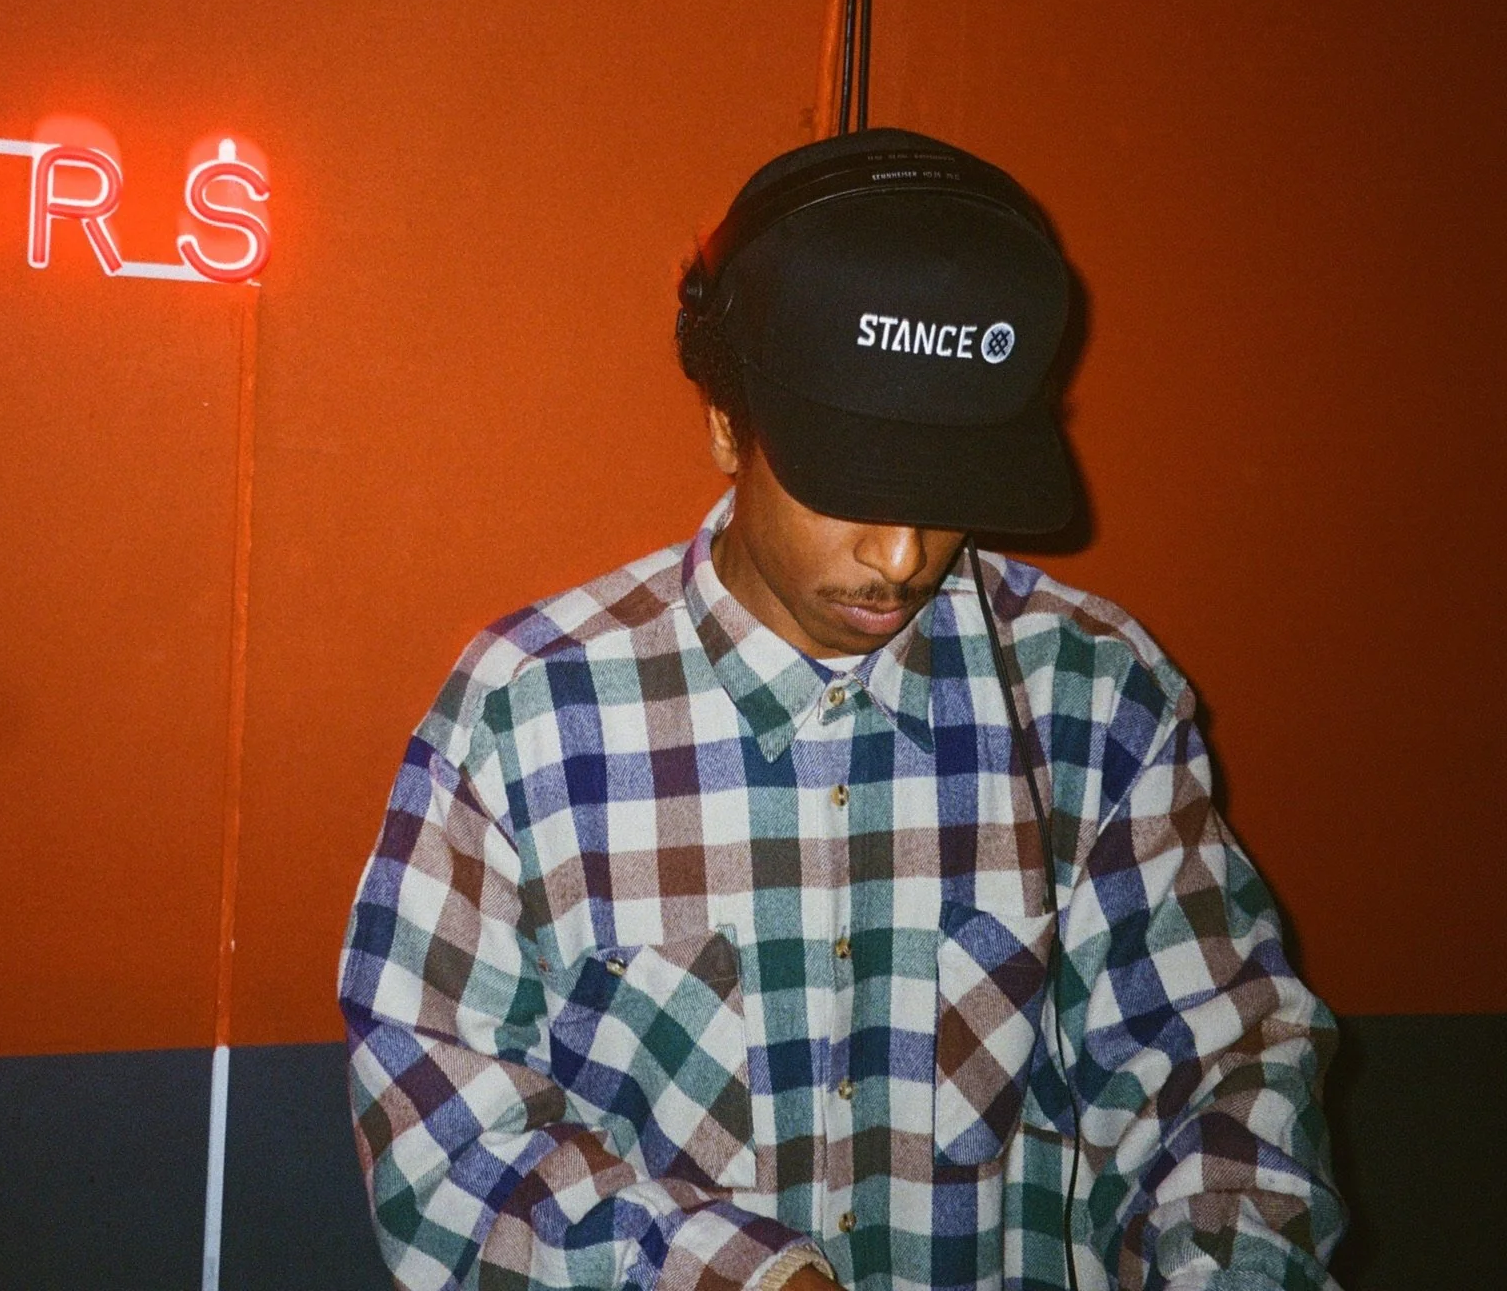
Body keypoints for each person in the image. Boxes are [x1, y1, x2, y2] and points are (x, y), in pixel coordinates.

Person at [338, 129, 1343, 1291]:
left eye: (949, 482)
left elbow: (1221, 1073)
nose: (903, 552)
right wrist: (736, 1280)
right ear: (727, 423)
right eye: (853, 480)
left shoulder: (1097, 701)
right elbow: (446, 1143)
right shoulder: (524, 717)